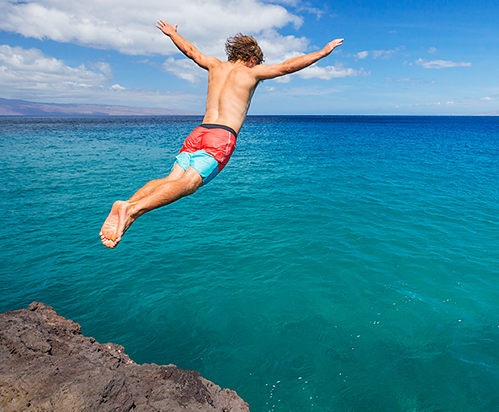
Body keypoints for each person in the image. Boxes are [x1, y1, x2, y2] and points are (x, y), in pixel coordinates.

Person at [100, 20, 343, 248]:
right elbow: (287, 66)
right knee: (188, 185)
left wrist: (173, 34)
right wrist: (322, 52)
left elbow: (191, 51)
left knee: (171, 179)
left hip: (198, 132)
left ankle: (129, 206)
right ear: (251, 58)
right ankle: (131, 210)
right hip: (221, 136)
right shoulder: (251, 72)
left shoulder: (214, 65)